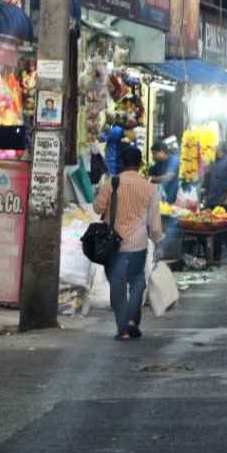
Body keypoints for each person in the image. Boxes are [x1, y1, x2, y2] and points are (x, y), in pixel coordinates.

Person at [92, 146, 163, 340]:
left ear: (121, 162)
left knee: (117, 283)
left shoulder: (111, 183)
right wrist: (158, 242)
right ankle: (132, 319)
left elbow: (98, 207)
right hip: (138, 244)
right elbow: (154, 223)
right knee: (138, 280)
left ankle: (122, 328)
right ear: (140, 164)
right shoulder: (148, 187)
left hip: (113, 243)